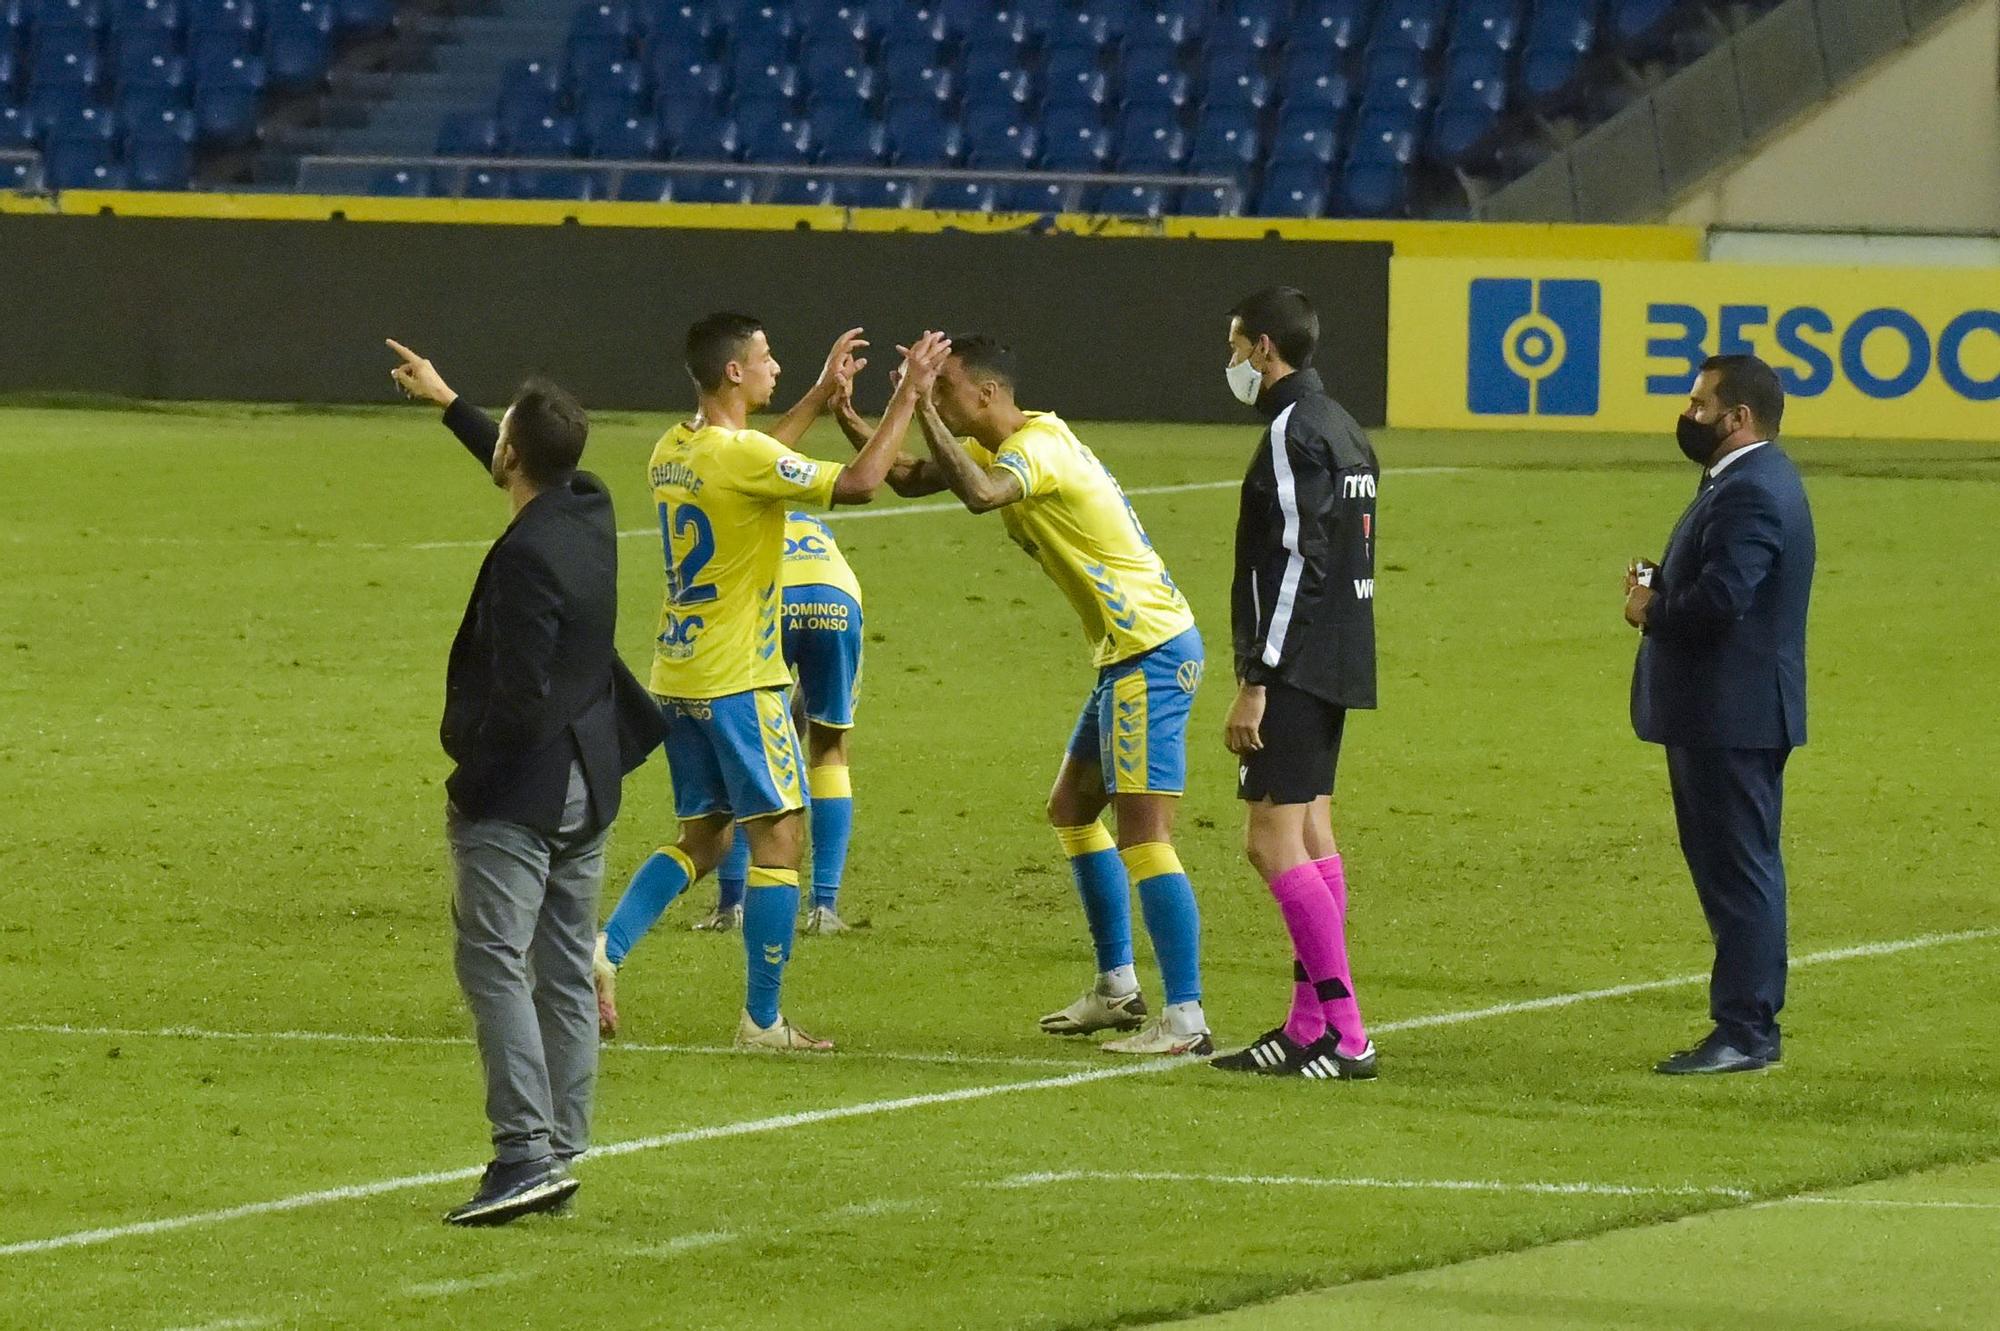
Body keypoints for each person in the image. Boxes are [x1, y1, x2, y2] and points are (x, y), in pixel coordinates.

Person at [591, 316, 951, 1050]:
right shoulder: (739, 454)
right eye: (765, 358)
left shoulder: (674, 448)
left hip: (678, 672)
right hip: (741, 679)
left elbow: (759, 462)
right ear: (733, 373)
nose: (775, 367)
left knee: (704, 836)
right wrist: (909, 397)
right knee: (779, 840)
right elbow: (857, 483)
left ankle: (601, 950)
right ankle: (761, 1019)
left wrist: (821, 395)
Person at [855, 334, 1210, 1056]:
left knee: (1146, 835)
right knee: (1073, 808)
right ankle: (1117, 988)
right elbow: (917, 476)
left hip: (1152, 650)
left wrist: (917, 400)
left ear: (987, 393)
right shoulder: (1012, 438)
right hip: (1128, 653)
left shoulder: (1035, 452)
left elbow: (982, 495)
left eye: (948, 389)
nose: (943, 400)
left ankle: (1186, 1019)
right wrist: (861, 409)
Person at [386, 339, 666, 1225]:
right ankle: (562, 1147)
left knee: (495, 963)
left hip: (526, 787)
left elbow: (516, 696)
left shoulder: (522, 560)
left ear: (515, 456)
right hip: (593, 774)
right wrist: (448, 401)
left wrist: (472, 777)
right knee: (560, 968)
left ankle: (524, 1154)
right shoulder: (587, 504)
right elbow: (523, 461)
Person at [1207, 287, 1381, 1083]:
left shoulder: (1290, 432)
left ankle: (1346, 1032)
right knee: (1312, 834)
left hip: (1297, 664)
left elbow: (1295, 564)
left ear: (1266, 349)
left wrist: (1257, 678)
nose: (1234, 362)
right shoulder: (1344, 426)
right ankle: (1306, 1024)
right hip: (1342, 656)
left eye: (1238, 347)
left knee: (1269, 840)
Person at [1626, 353, 1814, 1075]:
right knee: (1741, 868)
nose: (1688, 415)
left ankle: (1746, 1030)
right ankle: (1745, 1022)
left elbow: (1724, 600)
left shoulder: (1752, 491)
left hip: (1729, 715)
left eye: (1700, 404)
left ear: (1739, 418)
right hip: (1731, 712)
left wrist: (1652, 607)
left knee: (1739, 873)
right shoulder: (1754, 479)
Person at [691, 508, 867, 938]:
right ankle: (824, 907)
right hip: (838, 596)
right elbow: (806, 704)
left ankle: (733, 904)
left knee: (744, 752)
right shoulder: (817, 528)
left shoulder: (743, 520)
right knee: (830, 749)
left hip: (774, 595)